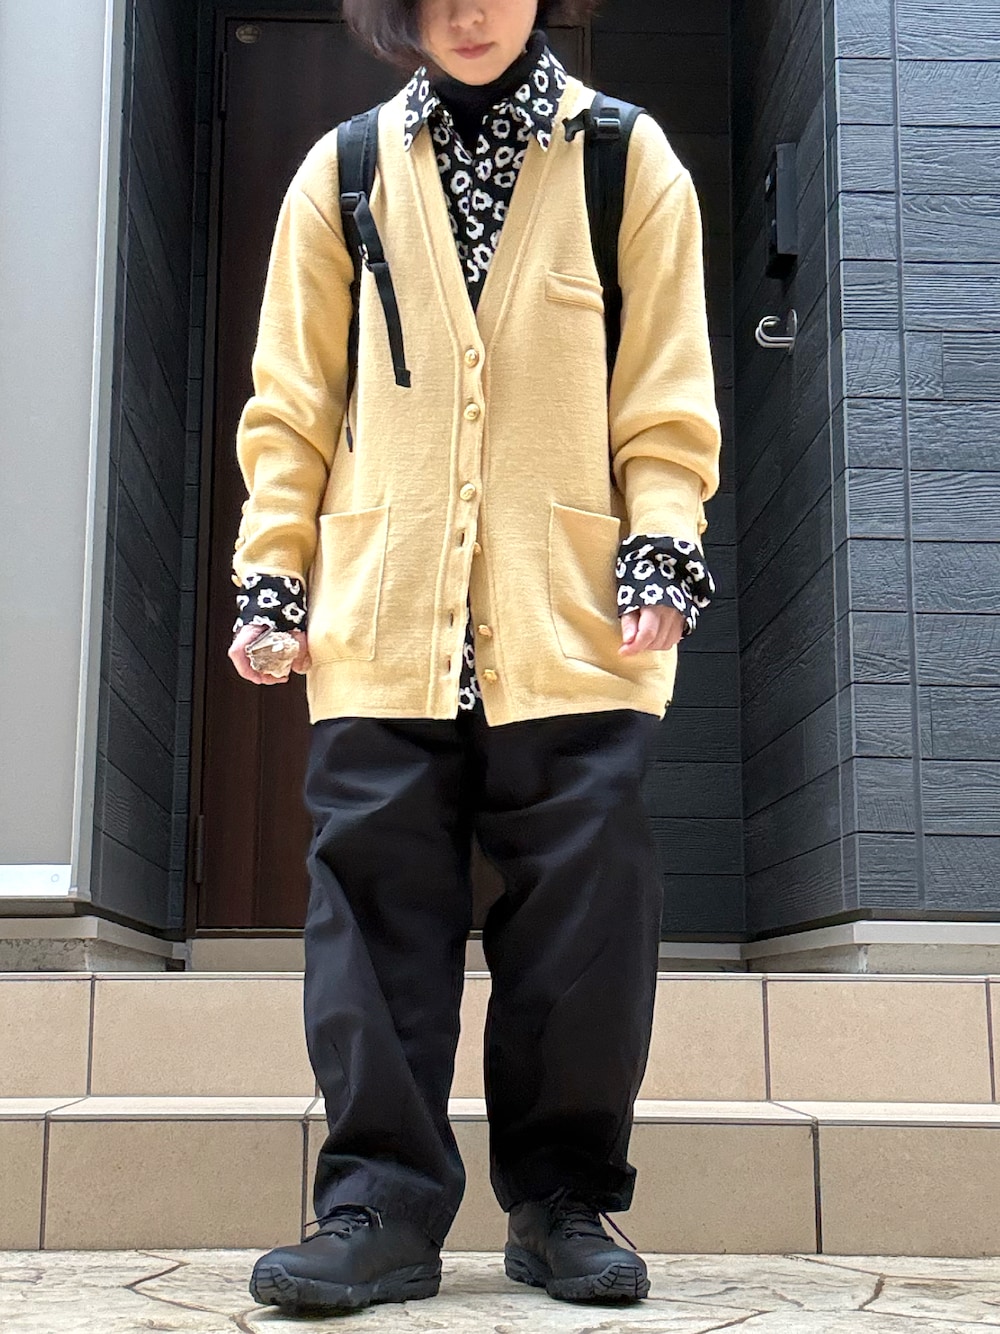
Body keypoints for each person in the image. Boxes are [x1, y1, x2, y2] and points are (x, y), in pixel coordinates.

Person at [228, 0, 722, 1316]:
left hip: (572, 621)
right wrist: (274, 570)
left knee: (584, 927)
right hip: (384, 619)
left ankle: (561, 1203)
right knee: (373, 922)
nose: (467, 11)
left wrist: (662, 542)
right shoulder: (342, 171)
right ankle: (380, 1208)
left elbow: (666, 390)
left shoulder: (625, 159)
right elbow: (292, 404)